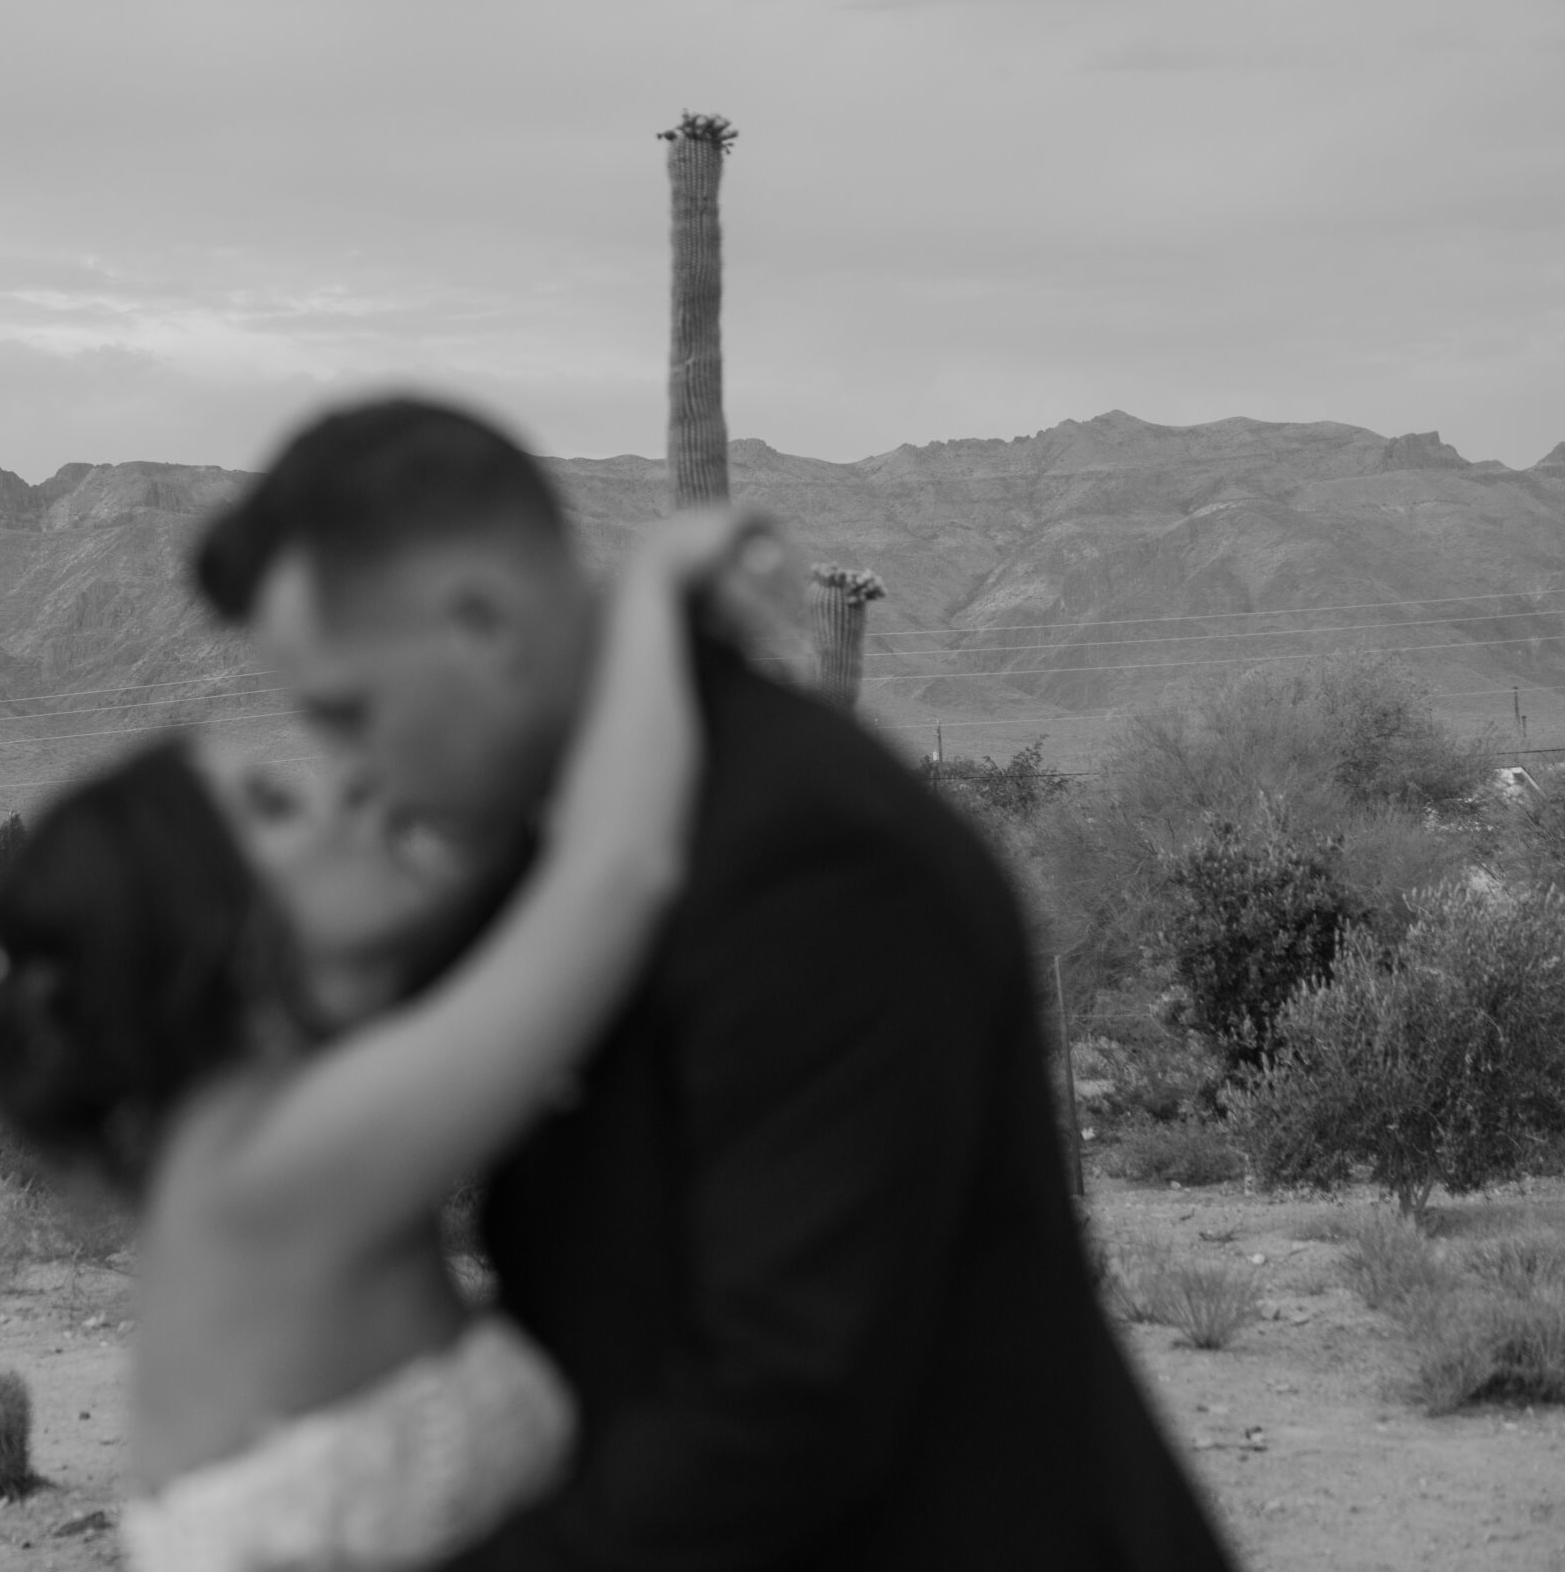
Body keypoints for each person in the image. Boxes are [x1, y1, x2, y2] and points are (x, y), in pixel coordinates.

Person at [185, 395, 1239, 1570]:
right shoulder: (560, 855)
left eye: (347, 712)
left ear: (482, 620)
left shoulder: (812, 855)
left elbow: (789, 1397)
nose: (346, 775)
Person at [0, 505, 780, 1571]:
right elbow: (614, 877)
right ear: (197, 933)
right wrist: (643, 593)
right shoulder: (274, 1165)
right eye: (271, 804)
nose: (341, 782)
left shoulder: (240, 1141)